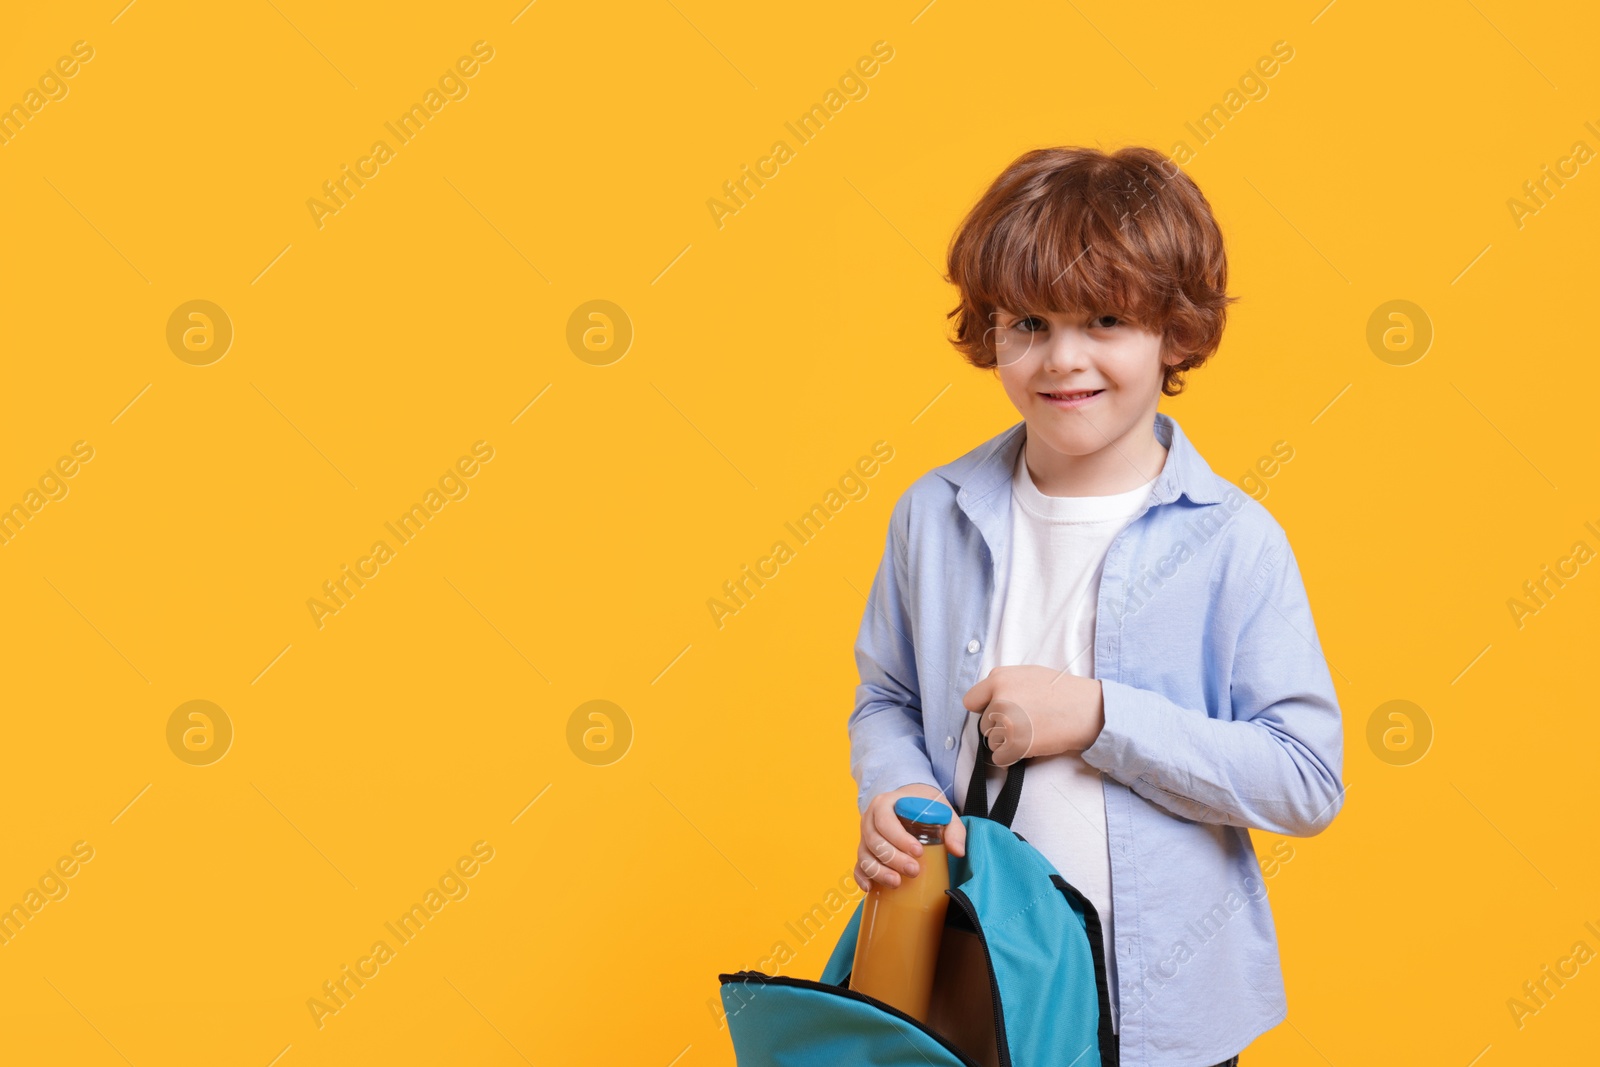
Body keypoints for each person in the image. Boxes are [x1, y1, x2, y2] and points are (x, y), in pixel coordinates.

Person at [847, 145, 1345, 1067]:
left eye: (1106, 319)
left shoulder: (1234, 540)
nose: (1062, 358)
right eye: (1028, 321)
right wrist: (898, 786)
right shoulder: (931, 512)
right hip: (975, 980)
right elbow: (885, 697)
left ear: (1177, 333)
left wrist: (1101, 716)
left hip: (1160, 1010)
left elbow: (1305, 777)